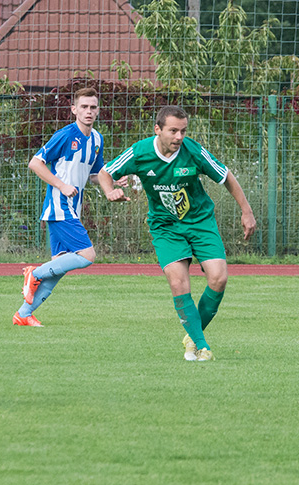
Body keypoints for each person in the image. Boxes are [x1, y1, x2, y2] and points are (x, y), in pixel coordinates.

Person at [98, 105, 256, 361]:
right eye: (173, 131)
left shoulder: (192, 151)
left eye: (183, 131)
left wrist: (246, 211)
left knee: (219, 278)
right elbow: (106, 172)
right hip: (165, 227)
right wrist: (109, 191)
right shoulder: (140, 152)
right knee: (178, 282)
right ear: (157, 129)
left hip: (200, 221)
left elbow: (226, 176)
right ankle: (201, 346)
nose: (179, 137)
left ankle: (191, 335)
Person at [14, 87, 123, 327]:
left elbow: (95, 175)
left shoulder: (97, 139)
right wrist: (62, 185)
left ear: (98, 111)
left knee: (60, 266)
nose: (88, 111)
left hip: (73, 207)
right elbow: (35, 163)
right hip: (59, 205)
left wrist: (113, 182)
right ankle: (35, 273)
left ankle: (23, 314)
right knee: (87, 256)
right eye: (83, 107)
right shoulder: (65, 135)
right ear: (74, 109)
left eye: (93, 107)